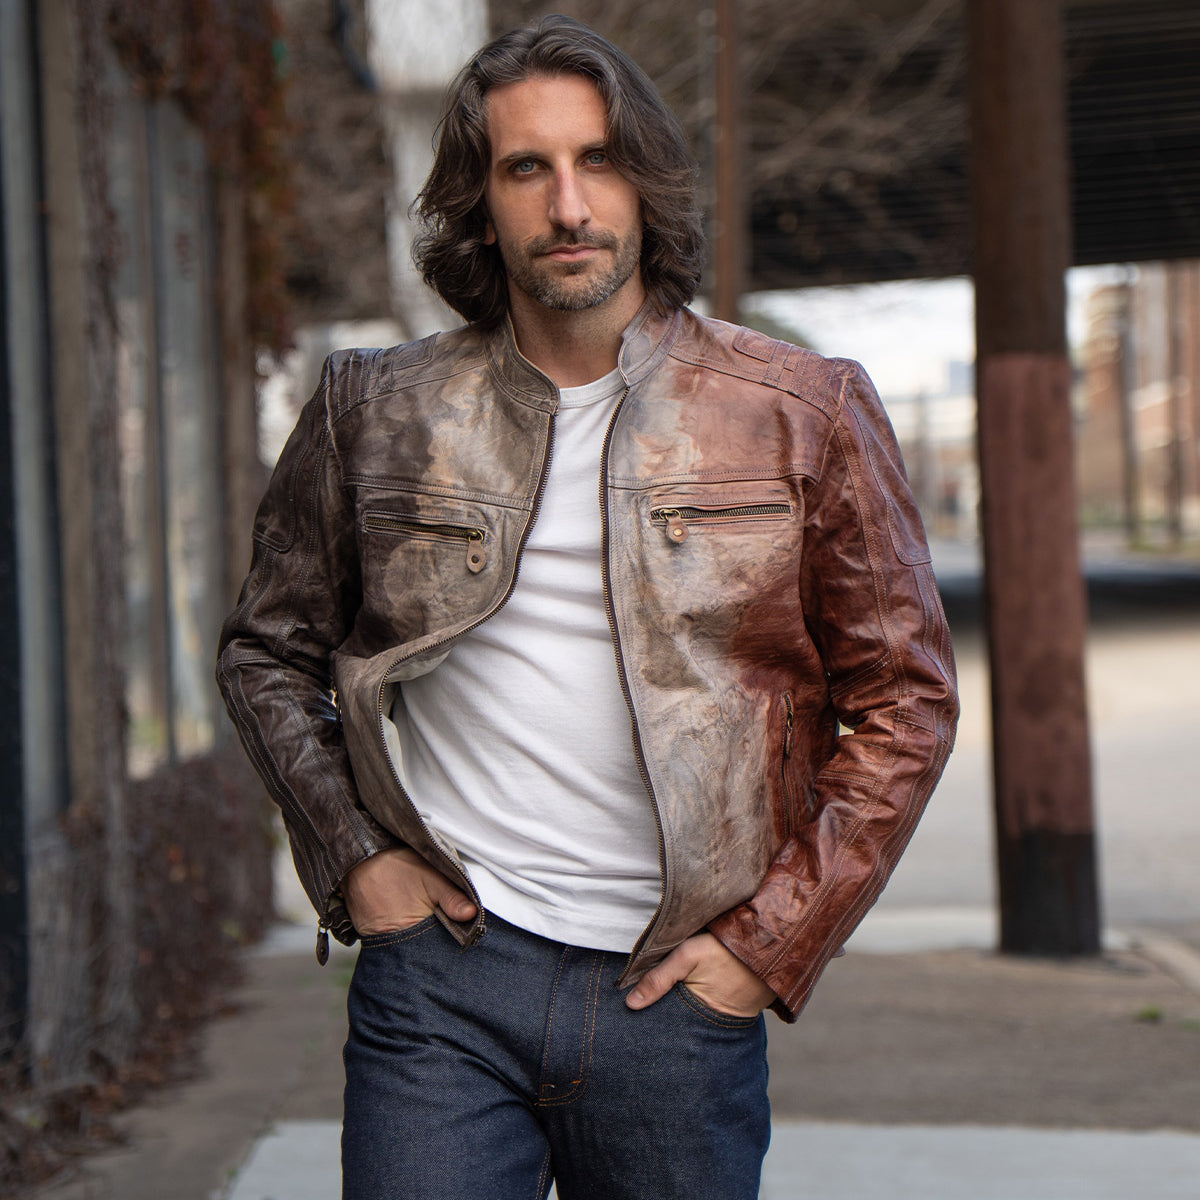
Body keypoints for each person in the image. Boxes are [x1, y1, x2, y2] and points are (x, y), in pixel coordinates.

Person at [217, 14, 958, 1200]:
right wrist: (356, 861)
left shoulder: (800, 409)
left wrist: (765, 947)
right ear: (481, 199)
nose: (569, 205)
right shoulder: (376, 407)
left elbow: (904, 699)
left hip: (678, 992)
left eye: (598, 159)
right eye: (527, 168)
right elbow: (268, 651)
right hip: (445, 981)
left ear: (645, 181)